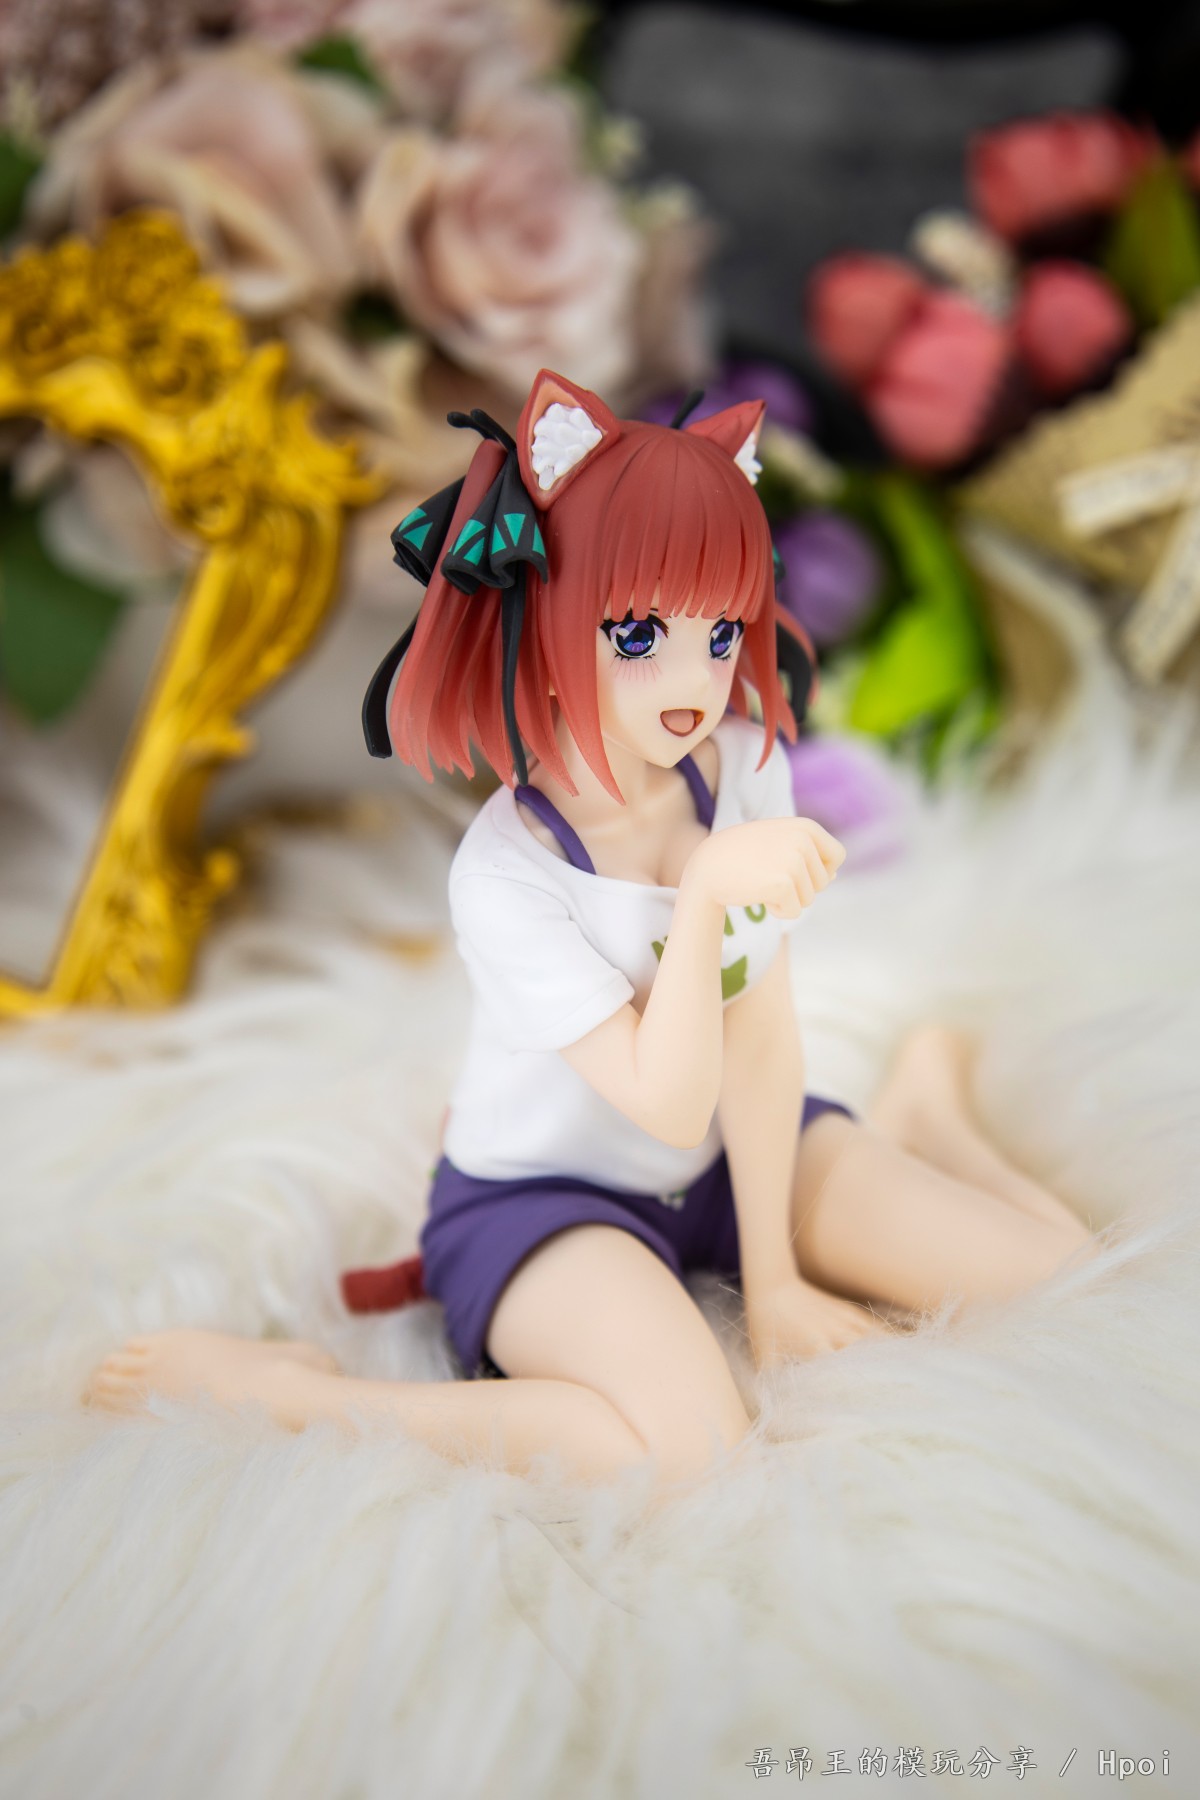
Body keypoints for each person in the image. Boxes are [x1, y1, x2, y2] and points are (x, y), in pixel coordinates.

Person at [84, 369, 1100, 1500]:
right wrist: (705, 895)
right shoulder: (509, 877)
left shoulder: (742, 766)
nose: (692, 683)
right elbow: (662, 1100)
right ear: (549, 618)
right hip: (543, 1199)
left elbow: (759, 1028)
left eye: (720, 631)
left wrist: (776, 1282)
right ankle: (291, 1393)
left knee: (1060, 1274)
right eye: (638, 633)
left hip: (726, 1159)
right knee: (688, 1450)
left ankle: (920, 1116)